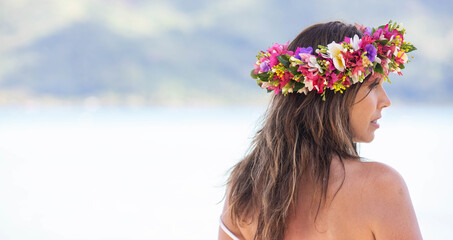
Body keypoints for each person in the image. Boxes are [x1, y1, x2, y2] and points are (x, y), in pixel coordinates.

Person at [218, 21, 422, 240]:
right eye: (373, 86)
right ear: (335, 95)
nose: (386, 101)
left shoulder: (245, 186)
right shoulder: (382, 186)